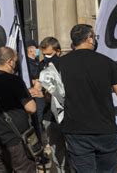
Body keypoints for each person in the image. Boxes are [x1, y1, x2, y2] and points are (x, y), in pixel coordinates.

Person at [57, 24, 117, 173]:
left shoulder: (60, 64)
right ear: (89, 39)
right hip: (104, 129)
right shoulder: (107, 62)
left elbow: (50, 95)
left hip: (76, 130)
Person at [0, 46, 37, 173]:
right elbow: (31, 108)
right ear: (10, 62)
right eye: (15, 62)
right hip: (15, 140)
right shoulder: (14, 80)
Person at [35, 36, 69, 173]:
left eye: (49, 54)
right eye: (44, 55)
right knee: (56, 150)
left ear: (58, 51)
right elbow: (38, 86)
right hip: (49, 115)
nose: (47, 57)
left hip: (66, 114)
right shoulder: (41, 65)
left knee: (71, 149)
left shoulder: (66, 66)